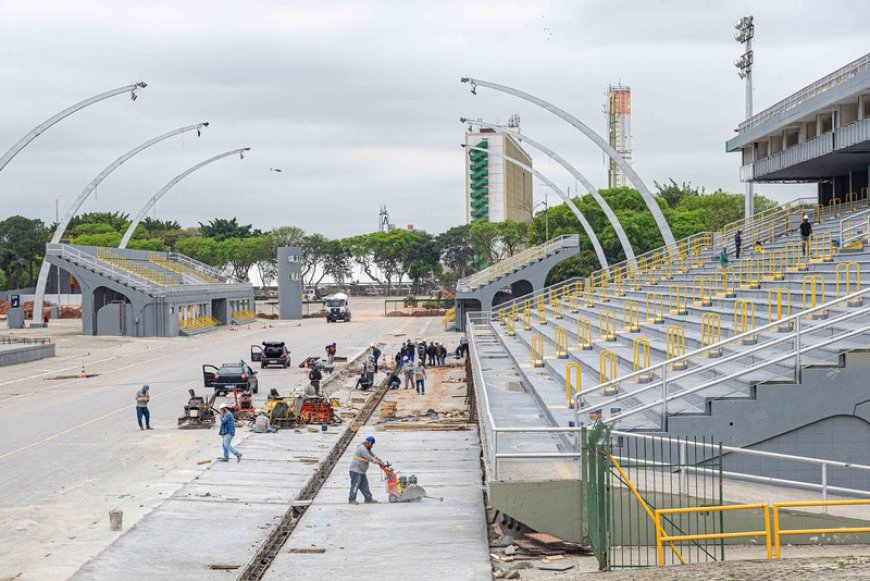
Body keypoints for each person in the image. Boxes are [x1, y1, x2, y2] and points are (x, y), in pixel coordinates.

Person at [348, 435, 383, 505]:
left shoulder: (366, 448)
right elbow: (370, 458)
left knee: (364, 485)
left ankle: (368, 499)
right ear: (369, 443)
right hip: (356, 470)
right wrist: (379, 463)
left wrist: (380, 460)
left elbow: (373, 455)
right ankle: (351, 500)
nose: (372, 446)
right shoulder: (362, 449)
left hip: (361, 470)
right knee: (355, 485)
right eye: (372, 444)